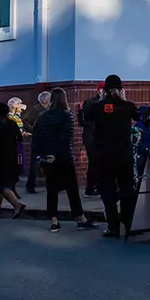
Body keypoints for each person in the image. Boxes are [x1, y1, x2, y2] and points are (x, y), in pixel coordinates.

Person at [33, 87, 94, 230]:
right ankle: (80, 218)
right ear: (64, 99)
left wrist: (44, 155)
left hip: (49, 158)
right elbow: (67, 139)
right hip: (64, 157)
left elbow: (36, 139)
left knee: (52, 189)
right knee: (72, 188)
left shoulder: (42, 117)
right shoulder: (67, 115)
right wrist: (58, 154)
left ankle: (54, 221)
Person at [87, 75, 138, 238]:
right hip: (124, 154)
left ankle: (113, 226)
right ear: (121, 89)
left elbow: (85, 117)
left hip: (104, 155)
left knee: (107, 190)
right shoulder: (128, 106)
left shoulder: (97, 107)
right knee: (127, 189)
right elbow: (138, 117)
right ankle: (129, 223)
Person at [0, 101, 26, 218]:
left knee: (0, 184)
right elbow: (19, 138)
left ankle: (17, 204)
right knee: (1, 183)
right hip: (11, 156)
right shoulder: (12, 124)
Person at [78, 83, 104, 197]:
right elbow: (86, 121)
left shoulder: (96, 102)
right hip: (92, 136)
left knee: (97, 162)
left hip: (94, 136)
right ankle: (90, 188)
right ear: (99, 90)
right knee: (94, 162)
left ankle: (95, 187)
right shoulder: (93, 103)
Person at [23, 90, 48, 194]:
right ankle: (30, 185)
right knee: (35, 163)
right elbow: (25, 120)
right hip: (38, 140)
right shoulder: (36, 109)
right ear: (45, 100)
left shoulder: (49, 109)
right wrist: (33, 129)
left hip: (47, 139)